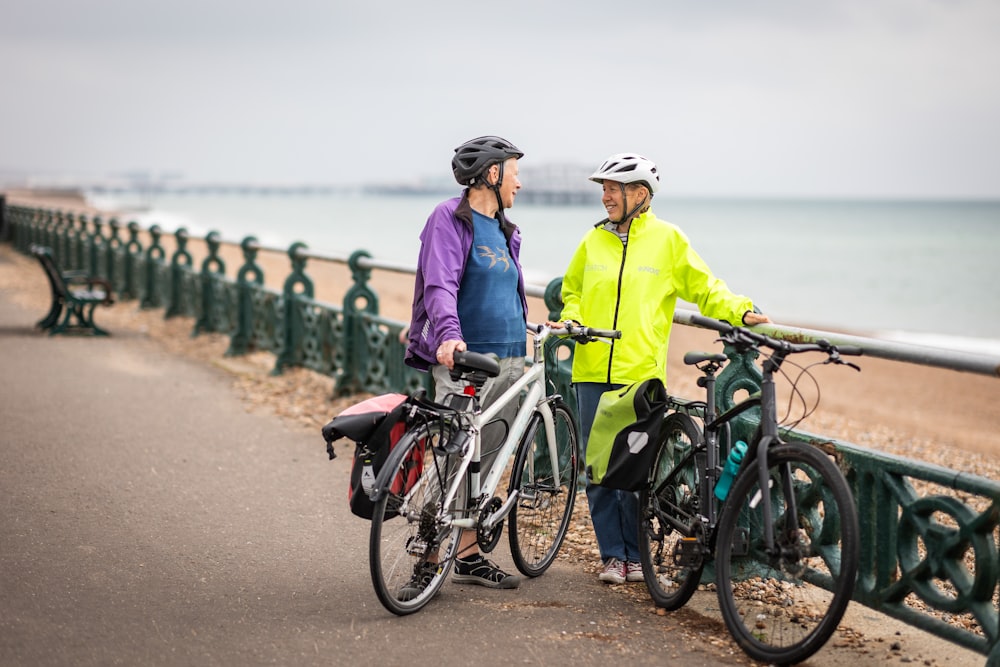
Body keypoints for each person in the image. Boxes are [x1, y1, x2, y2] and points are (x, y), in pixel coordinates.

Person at [551, 153, 770, 585]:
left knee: (635, 472)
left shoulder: (668, 241)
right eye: (604, 188)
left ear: (640, 195)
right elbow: (571, 290)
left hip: (638, 373)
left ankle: (639, 558)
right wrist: (572, 316)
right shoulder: (592, 241)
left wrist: (741, 310)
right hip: (591, 369)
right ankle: (613, 556)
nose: (605, 196)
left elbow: (704, 288)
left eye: (613, 189)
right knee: (597, 471)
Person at [402, 135, 528, 595]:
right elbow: (440, 284)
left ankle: (470, 556)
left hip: (513, 356)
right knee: (454, 458)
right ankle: (428, 557)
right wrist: (448, 335)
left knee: (488, 461)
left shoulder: (508, 230)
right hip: (467, 360)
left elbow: (507, 292)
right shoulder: (449, 219)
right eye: (514, 172)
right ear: (492, 174)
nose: (520, 181)